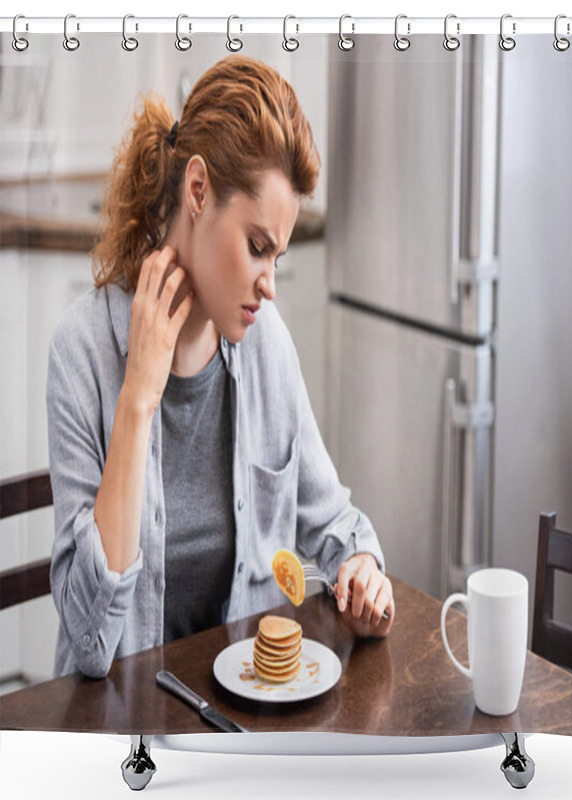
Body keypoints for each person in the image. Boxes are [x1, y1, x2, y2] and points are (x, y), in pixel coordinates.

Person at [46, 55, 394, 680]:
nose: (270, 285)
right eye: (257, 247)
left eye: (277, 257)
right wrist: (138, 399)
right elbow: (92, 644)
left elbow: (336, 525)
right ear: (198, 191)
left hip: (243, 723)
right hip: (122, 738)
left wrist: (362, 569)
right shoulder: (83, 351)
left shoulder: (267, 347)